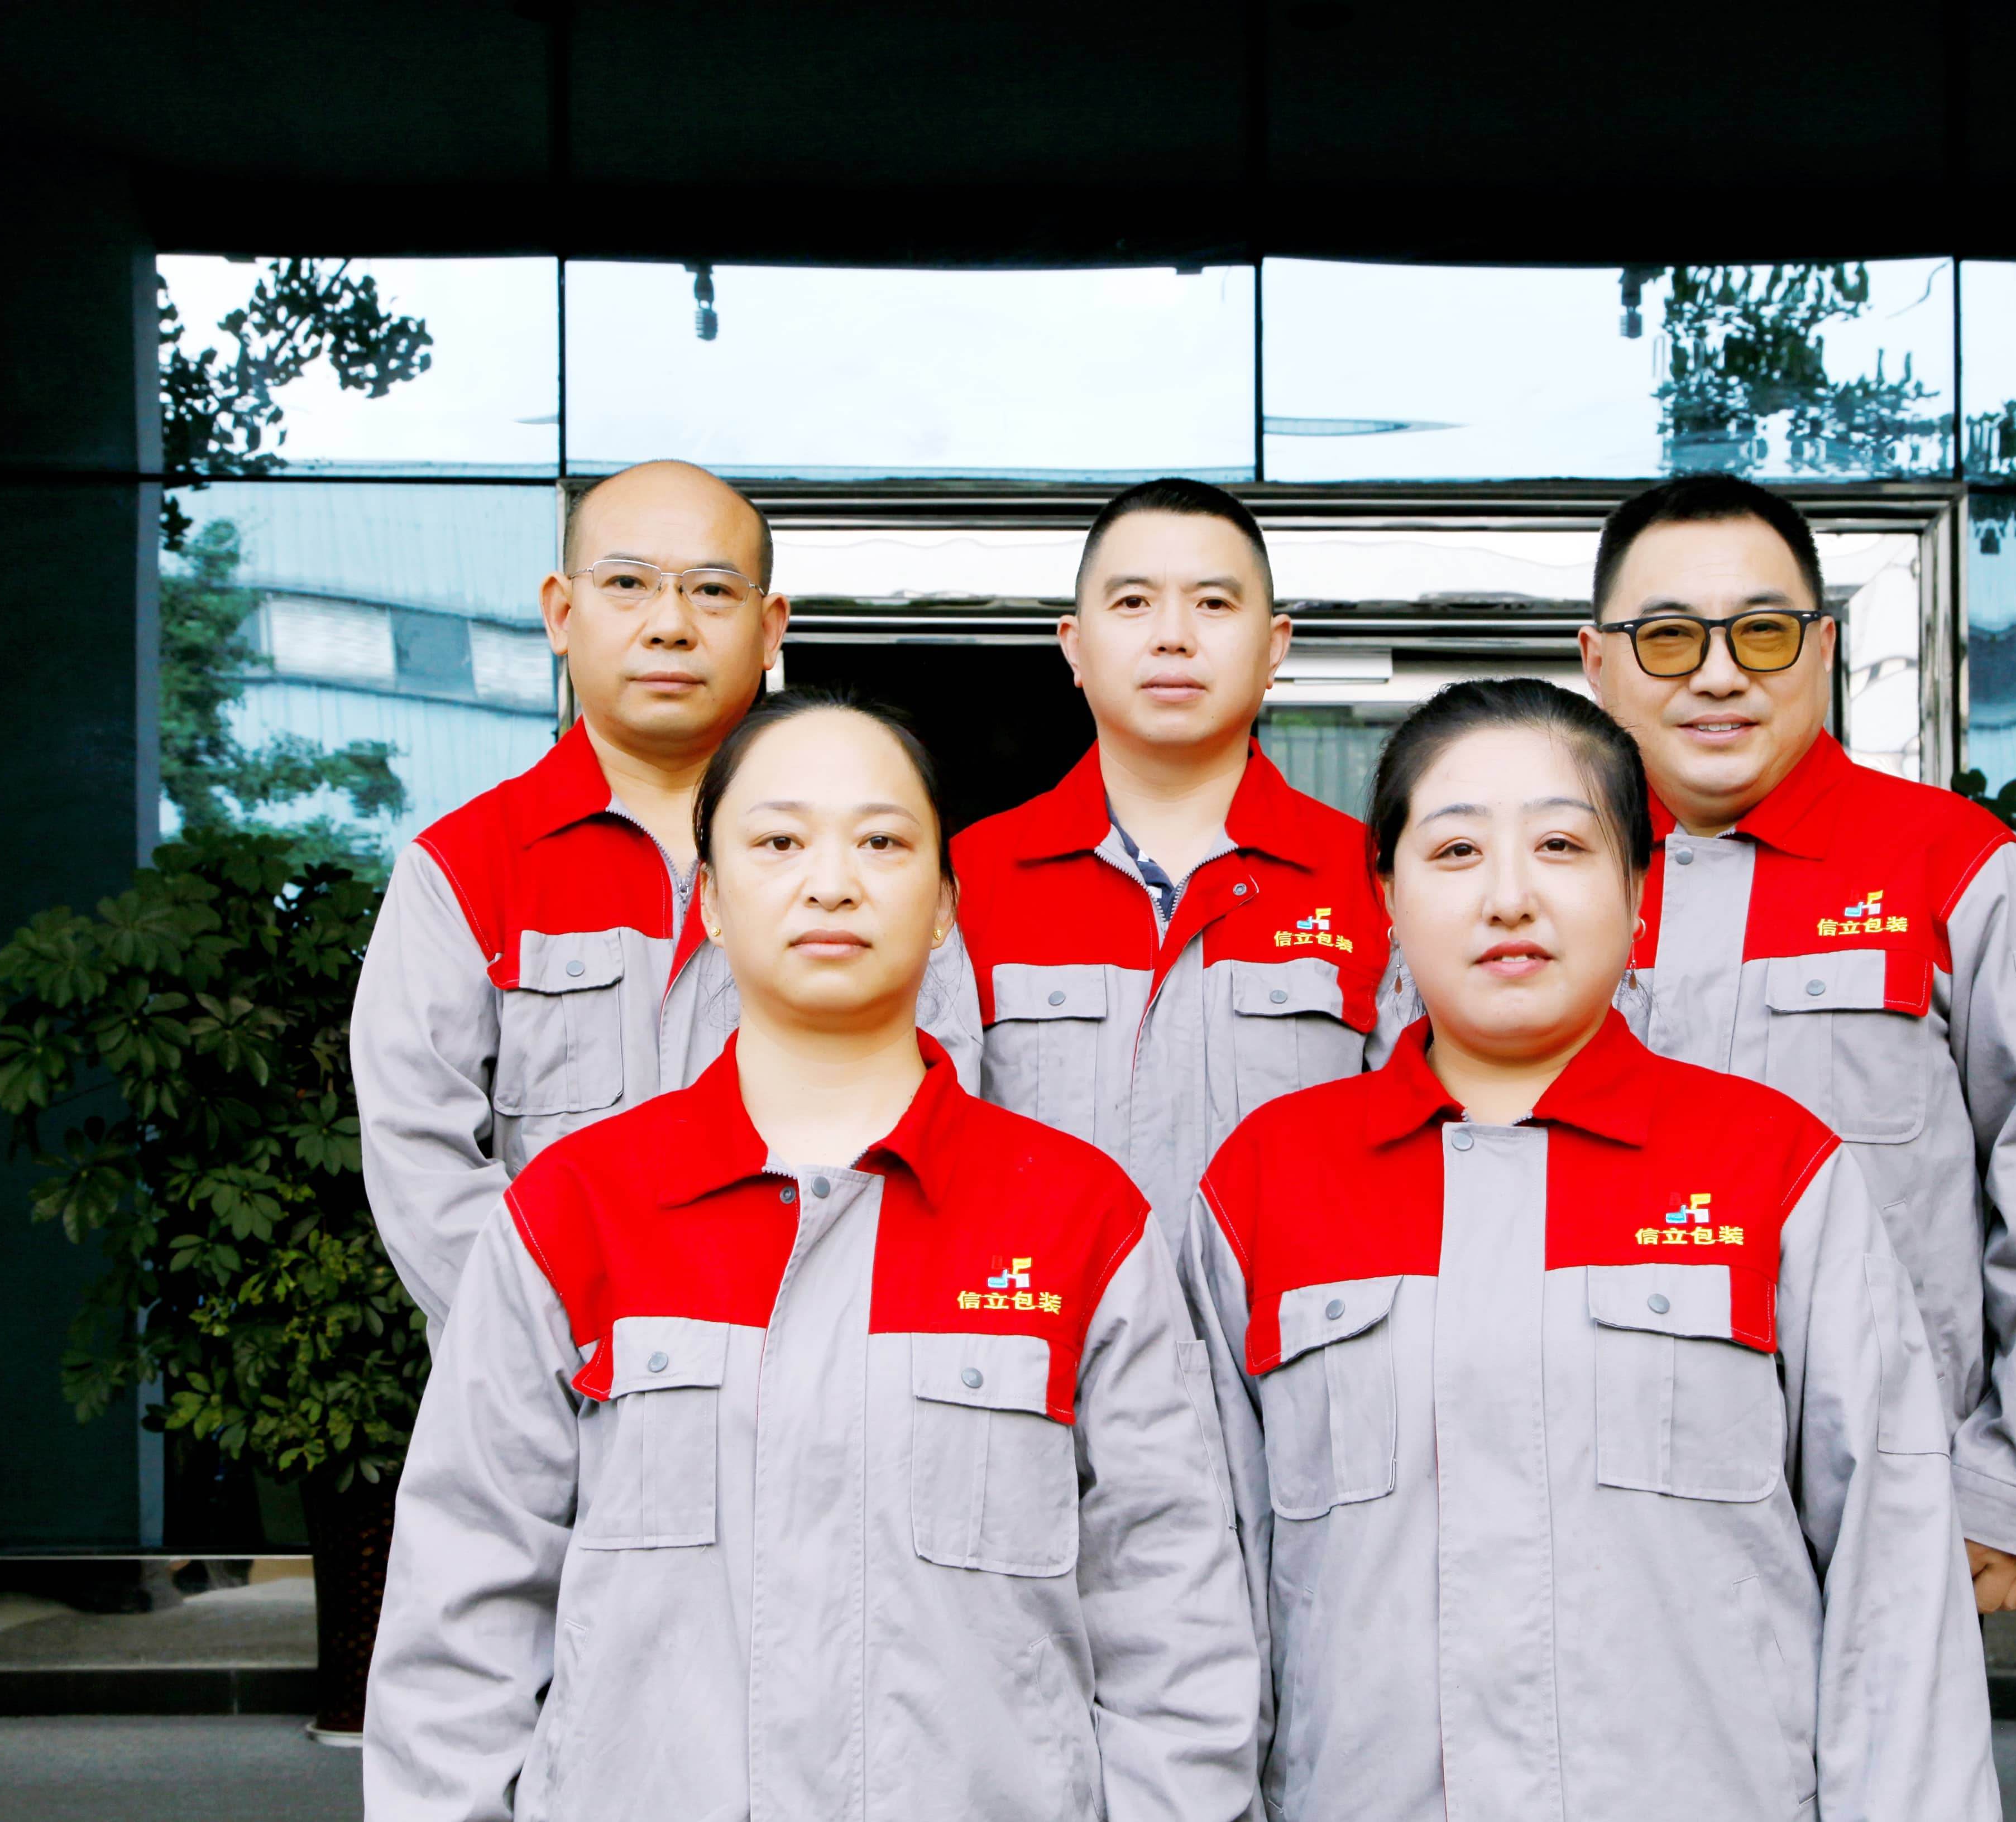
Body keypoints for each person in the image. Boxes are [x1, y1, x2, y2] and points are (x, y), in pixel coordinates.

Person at [364, 690, 1257, 1822]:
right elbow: (459, 1625)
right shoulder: (573, 1215)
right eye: (779, 842)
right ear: (710, 901)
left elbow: (1174, 1623)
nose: (831, 882)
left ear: (946, 908)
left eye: (882, 843)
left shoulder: (1078, 1222)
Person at [1184, 678, 1996, 1820]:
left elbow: (1895, 1579)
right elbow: (1197, 1597)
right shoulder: (1267, 1185)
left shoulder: (1773, 1168)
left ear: (1640, 894)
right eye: (1456, 851)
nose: (1510, 897)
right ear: (1387, 897)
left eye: (1562, 845)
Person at [1577, 474, 2016, 1612]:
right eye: (1668, 637)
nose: (1718, 674)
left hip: (1884, 1505)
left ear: (1823, 648)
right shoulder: (1535, 888)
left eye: (1763, 633)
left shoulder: (1961, 871)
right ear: (1598, 662)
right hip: (1590, 1498)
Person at [352, 460, 980, 1324]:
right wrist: (602, 1350)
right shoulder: (465, 869)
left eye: (713, 591)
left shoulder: (872, 863)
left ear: (770, 630)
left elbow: (942, 1129)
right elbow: (423, 1171)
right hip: (563, 1381)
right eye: (627, 585)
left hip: (828, 1370)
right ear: (561, 614)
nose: (671, 626)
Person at [951, 478, 1404, 1250]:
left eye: (1214, 604)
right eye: (1133, 602)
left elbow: (1417, 1168)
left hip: (1291, 1327)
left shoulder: (1376, 882)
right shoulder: (966, 881)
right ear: (1074, 646)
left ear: (1275, 647)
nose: (1172, 637)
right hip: (1043, 1325)